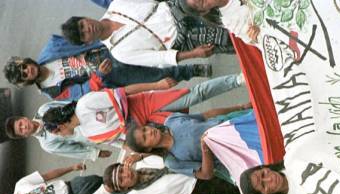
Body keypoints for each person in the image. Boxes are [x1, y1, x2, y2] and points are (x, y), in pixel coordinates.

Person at [42, 75, 243, 146]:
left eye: (57, 133)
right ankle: (243, 113)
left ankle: (237, 80)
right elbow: (121, 142)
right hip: (148, 130)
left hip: (145, 104)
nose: (61, 136)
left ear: (60, 126)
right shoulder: (88, 135)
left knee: (195, 95)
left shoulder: (85, 104)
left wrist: (158, 84)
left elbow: (124, 92)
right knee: (198, 122)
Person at [2, 34, 211, 101]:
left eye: (24, 67)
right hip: (109, 75)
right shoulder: (52, 91)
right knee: (155, 74)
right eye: (23, 75)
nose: (27, 71)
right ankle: (190, 71)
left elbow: (77, 37)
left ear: (26, 61)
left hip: (107, 50)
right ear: (26, 81)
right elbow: (80, 93)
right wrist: (99, 76)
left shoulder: (50, 49)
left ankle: (194, 44)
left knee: (153, 48)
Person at [61, 0, 234, 69]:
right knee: (231, 40)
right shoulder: (119, 52)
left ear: (84, 18)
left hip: (176, 8)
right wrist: (194, 54)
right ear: (86, 43)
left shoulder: (116, 4)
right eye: (83, 34)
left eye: (82, 25)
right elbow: (158, 59)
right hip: (184, 39)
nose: (87, 29)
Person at [124, 108, 252, 181]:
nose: (149, 132)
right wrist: (205, 150)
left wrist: (241, 107)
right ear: (148, 148)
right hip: (237, 155)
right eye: (145, 138)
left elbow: (205, 115)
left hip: (234, 124)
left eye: (145, 129)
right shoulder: (172, 161)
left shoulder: (171, 121)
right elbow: (206, 174)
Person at [100, 157, 241, 194]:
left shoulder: (144, 159)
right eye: (121, 180)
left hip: (203, 164)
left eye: (121, 171)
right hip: (202, 189)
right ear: (124, 188)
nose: (126, 175)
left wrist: (143, 154)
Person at [4, 101, 112, 161]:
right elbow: (73, 150)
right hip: (98, 136)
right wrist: (97, 153)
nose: (24, 127)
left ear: (24, 118)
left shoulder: (43, 109)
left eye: (21, 124)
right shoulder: (46, 144)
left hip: (92, 115)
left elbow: (69, 103)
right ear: (24, 136)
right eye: (21, 130)